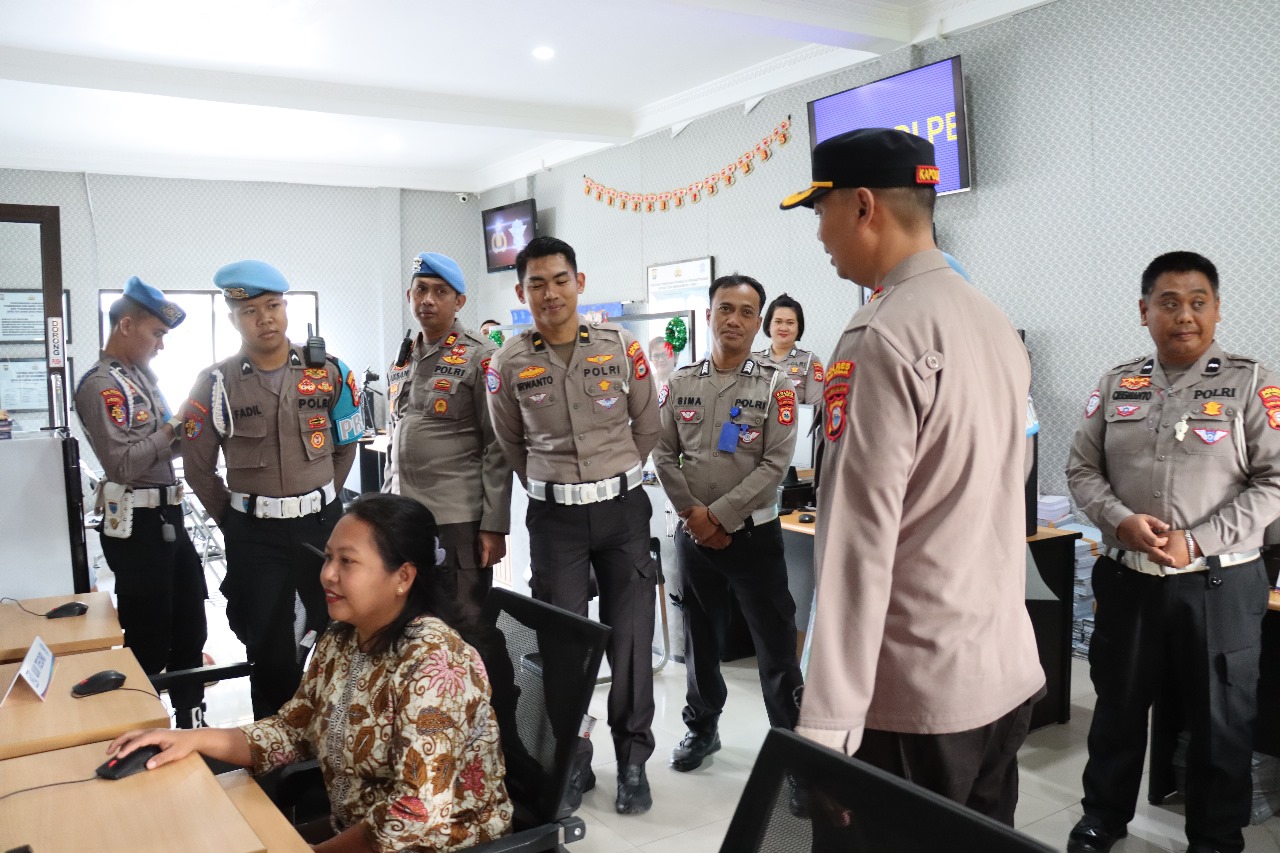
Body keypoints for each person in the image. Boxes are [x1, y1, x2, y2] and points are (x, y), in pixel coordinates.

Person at [779, 128, 1044, 825]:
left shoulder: (881, 334)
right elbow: (1009, 486)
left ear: (863, 206)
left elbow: (856, 542)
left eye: (821, 210)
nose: (819, 233)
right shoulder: (994, 323)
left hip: (914, 700)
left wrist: (827, 730)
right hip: (1000, 673)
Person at [106, 494, 512, 852]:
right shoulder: (342, 638)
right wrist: (192, 739)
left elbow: (415, 811)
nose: (327, 574)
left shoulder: (436, 664)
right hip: (356, 835)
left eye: (347, 561)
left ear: (403, 577)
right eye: (329, 557)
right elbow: (293, 730)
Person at [1064, 251, 1280, 853]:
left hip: (1219, 584)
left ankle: (1215, 838)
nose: (1184, 315)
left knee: (1221, 719)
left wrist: (1198, 539)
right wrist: (1120, 520)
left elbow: (1275, 482)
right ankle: (1102, 817)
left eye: (1197, 302)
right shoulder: (1118, 383)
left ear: (1216, 310)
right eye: (1169, 302)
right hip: (1128, 578)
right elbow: (1081, 469)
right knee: (1118, 708)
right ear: (1144, 311)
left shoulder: (1252, 383)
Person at [486, 235, 660, 815]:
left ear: (579, 283)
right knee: (562, 647)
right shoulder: (509, 362)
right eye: (536, 284)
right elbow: (511, 442)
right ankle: (573, 758)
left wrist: (611, 478)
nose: (550, 293)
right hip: (555, 520)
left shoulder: (620, 346)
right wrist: (558, 485)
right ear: (521, 293)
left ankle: (632, 760)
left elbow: (647, 425)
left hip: (622, 513)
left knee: (630, 640)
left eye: (560, 280)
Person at [181, 259, 363, 719]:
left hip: (321, 526)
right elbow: (198, 469)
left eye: (273, 306)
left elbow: (346, 445)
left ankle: (333, 734)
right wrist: (236, 520)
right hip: (254, 535)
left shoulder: (330, 372)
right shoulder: (214, 384)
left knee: (336, 630)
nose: (264, 318)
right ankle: (272, 745)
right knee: (267, 644)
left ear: (285, 308)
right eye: (250, 311)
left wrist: (323, 499)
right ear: (233, 319)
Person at [652, 273, 802, 773]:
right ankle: (702, 729)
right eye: (725, 308)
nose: (734, 319)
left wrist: (716, 517)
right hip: (693, 537)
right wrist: (693, 516)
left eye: (746, 312)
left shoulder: (776, 385)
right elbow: (662, 452)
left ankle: (793, 750)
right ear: (709, 313)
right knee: (700, 637)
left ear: (758, 324)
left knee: (775, 644)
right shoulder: (681, 383)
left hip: (754, 536)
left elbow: (775, 464)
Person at [382, 251, 515, 728]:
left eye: (441, 292)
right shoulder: (405, 356)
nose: (428, 300)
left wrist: (493, 524)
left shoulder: (479, 356)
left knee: (466, 632)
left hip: (457, 521)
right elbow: (398, 433)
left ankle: (493, 732)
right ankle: (431, 728)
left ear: (459, 301)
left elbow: (497, 445)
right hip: (405, 521)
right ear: (409, 295)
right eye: (421, 290)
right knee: (414, 630)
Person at [74, 276, 208, 728]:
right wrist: (171, 428)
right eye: (156, 334)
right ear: (126, 325)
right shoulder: (102, 385)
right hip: (139, 526)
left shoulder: (142, 380)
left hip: (169, 516)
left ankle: (191, 722)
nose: (161, 346)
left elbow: (160, 448)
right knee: (150, 637)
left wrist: (192, 427)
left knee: (190, 626)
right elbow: (123, 465)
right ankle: (142, 728)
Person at [755, 293, 824, 404]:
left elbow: (815, 408)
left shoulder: (810, 362)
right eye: (778, 321)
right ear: (768, 324)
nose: (784, 328)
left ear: (798, 327)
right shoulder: (752, 360)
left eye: (790, 323)